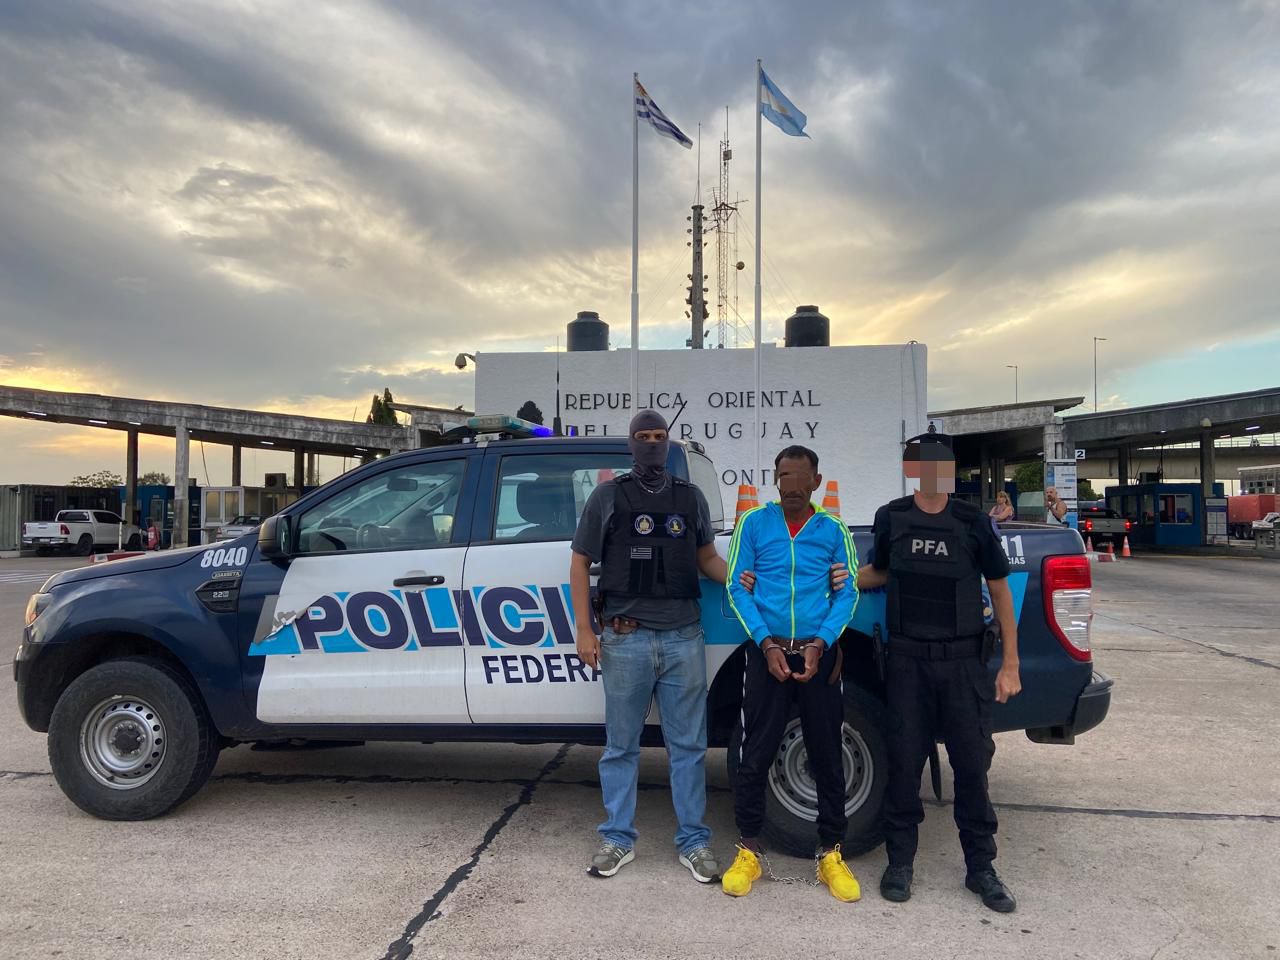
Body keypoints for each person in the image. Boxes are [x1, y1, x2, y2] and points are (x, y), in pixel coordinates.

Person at [856, 425, 1022, 913]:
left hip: (963, 664)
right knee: (904, 764)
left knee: (972, 767)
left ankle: (981, 868)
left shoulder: (972, 522)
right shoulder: (891, 517)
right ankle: (900, 863)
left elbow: (1000, 591)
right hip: (908, 663)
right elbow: (881, 571)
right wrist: (837, 578)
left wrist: (1010, 664)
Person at [570, 410, 725, 884]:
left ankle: (694, 841)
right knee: (621, 747)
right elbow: (580, 562)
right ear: (631, 444)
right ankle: (617, 837)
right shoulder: (607, 496)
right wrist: (584, 629)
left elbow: (706, 558)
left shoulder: (690, 497)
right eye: (644, 437)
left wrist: (745, 580)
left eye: (660, 436)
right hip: (625, 637)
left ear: (668, 442)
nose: (653, 444)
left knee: (689, 747)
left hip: (683, 638)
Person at [720, 445, 861, 901]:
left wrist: (821, 643)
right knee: (755, 751)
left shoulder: (833, 530)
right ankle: (748, 849)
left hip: (819, 657)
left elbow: (848, 593)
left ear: (816, 481)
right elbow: (736, 588)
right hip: (768, 655)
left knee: (826, 753)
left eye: (801, 477)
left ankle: (831, 852)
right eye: (784, 476)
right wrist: (766, 643)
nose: (792, 486)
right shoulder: (754, 524)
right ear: (775, 479)